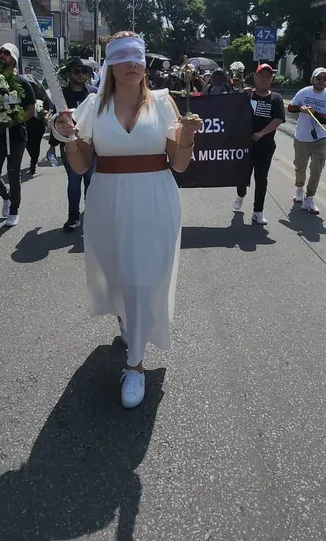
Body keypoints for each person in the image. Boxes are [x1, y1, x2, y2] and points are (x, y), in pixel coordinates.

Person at [54, 31, 200, 409]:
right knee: (119, 277)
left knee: (143, 279)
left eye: (137, 57)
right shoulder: (92, 106)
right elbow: (81, 165)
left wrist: (186, 136)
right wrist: (69, 140)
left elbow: (179, 164)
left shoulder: (163, 103)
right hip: (108, 201)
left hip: (156, 199)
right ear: (110, 64)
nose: (132, 64)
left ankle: (135, 365)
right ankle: (127, 320)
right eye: (122, 57)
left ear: (145, 63)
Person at [0, 43, 37, 227]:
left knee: (13, 174)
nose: (1, 55)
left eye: (6, 53)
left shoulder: (22, 82)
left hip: (15, 136)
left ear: (14, 59)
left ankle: (14, 210)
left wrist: (13, 121)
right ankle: (6, 197)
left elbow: (31, 110)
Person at [235, 63, 285, 225]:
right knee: (243, 175)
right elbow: (233, 110)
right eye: (261, 76)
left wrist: (261, 133)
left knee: (261, 178)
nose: (264, 79)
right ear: (255, 78)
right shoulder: (248, 95)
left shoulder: (276, 99)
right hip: (246, 144)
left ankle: (258, 212)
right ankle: (240, 195)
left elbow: (278, 119)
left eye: (268, 77)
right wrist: (241, 95)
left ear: (271, 79)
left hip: (265, 146)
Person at [285, 67, 326, 215]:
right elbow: (290, 107)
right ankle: (299, 189)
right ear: (312, 79)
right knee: (300, 166)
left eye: (324, 78)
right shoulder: (304, 92)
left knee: (316, 169)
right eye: (318, 78)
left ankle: (310, 198)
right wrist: (300, 108)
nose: (321, 81)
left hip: (319, 139)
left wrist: (314, 112)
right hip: (301, 137)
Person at [59, 58, 98, 232]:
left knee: (91, 181)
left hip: (92, 145)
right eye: (77, 71)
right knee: (74, 182)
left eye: (85, 71)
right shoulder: (61, 95)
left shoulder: (94, 93)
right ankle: (73, 217)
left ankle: (91, 214)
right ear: (69, 74)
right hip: (70, 144)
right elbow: (56, 121)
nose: (81, 75)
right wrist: (52, 144)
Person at [25, 76, 54, 176]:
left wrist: (46, 116)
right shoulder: (23, 95)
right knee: (28, 144)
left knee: (36, 143)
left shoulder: (42, 95)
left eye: (31, 84)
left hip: (38, 123)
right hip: (26, 122)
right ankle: (33, 157)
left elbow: (50, 108)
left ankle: (33, 163)